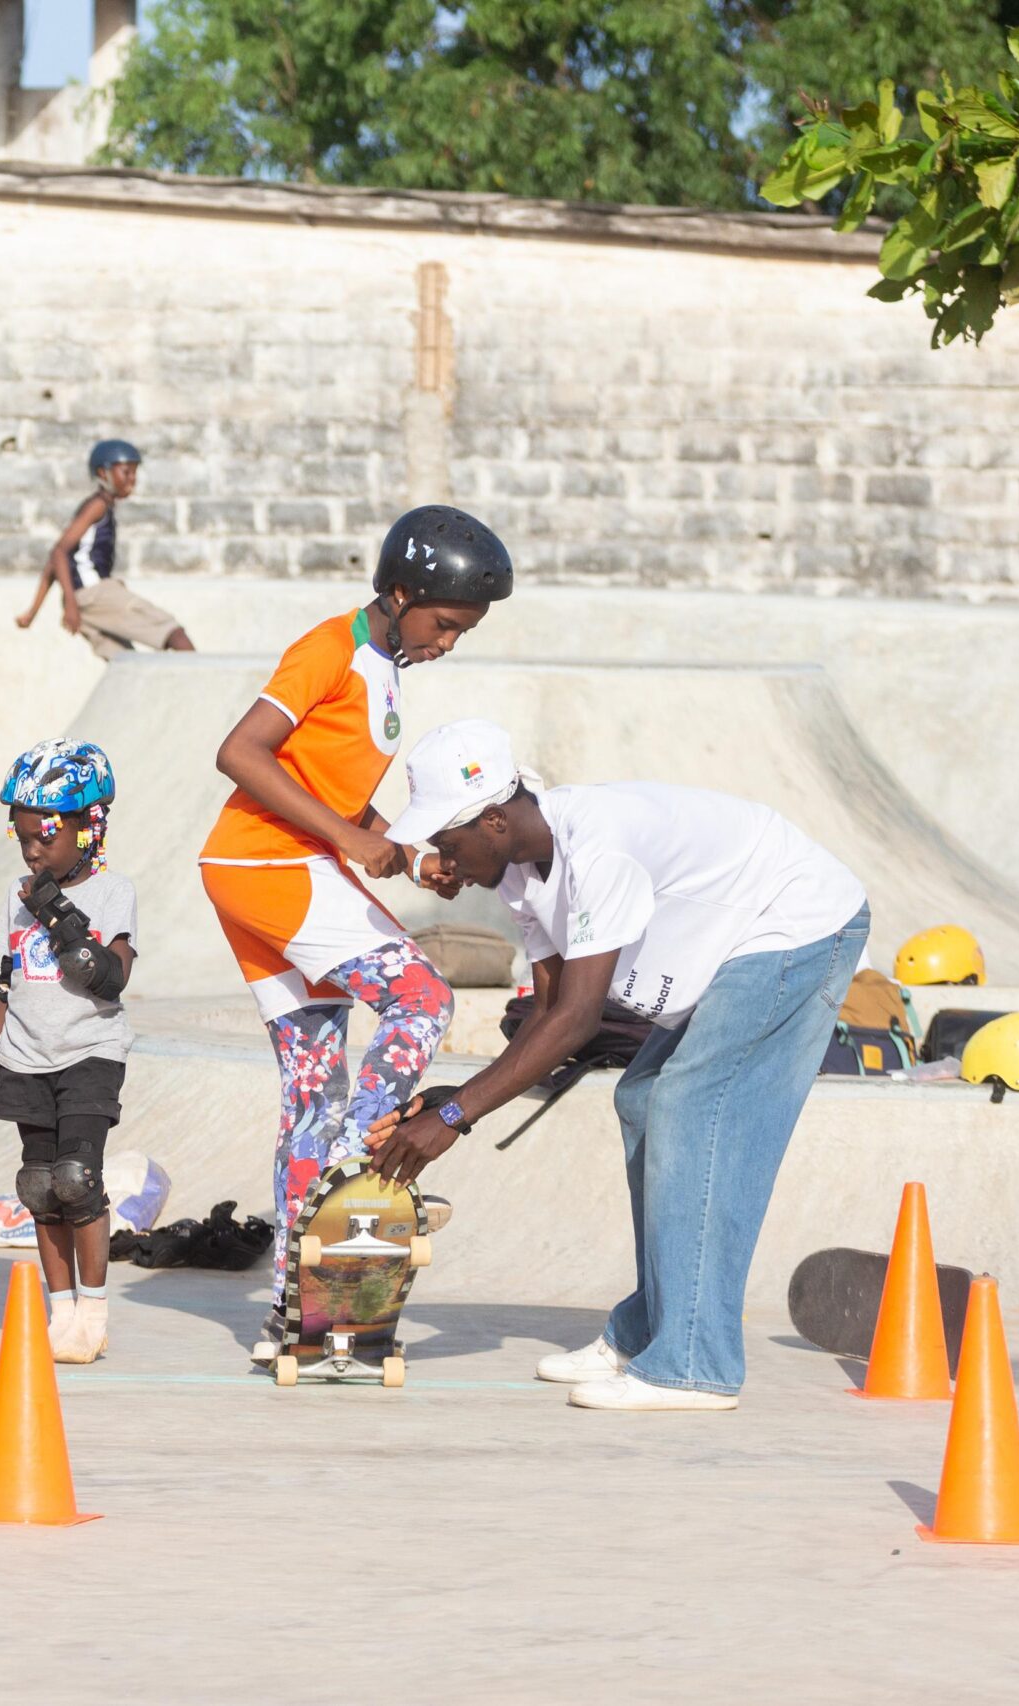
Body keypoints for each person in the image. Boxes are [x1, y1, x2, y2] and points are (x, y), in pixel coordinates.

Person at [368, 721, 870, 1412]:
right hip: (737, 942)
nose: (443, 862)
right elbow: (548, 1013)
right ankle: (651, 1330)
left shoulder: (598, 848)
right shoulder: (519, 874)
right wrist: (459, 1094)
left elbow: (579, 1017)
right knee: (641, 1099)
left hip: (796, 924)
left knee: (691, 1109)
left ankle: (695, 1364)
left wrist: (459, 1117)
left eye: (448, 844)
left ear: (493, 821)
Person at [197, 504, 512, 1362]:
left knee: (311, 1087)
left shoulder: (382, 667)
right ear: (401, 592)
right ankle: (356, 1165)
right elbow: (241, 752)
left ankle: (289, 1317)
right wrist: (353, 842)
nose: (449, 642)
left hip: (276, 871)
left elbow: (338, 795)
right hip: (271, 867)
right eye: (444, 623)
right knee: (422, 998)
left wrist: (406, 857)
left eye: (464, 632)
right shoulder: (329, 648)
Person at [0, 739, 136, 1364]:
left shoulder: (112, 892)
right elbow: (8, 980)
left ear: (88, 828)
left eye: (44, 837)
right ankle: (61, 1315)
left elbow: (105, 975)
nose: (32, 851)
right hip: (26, 1055)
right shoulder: (15, 895)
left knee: (79, 1180)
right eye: (22, 838)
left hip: (90, 1052)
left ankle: (95, 1312)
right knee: (40, 1187)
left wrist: (54, 910)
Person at [17, 439, 193, 656]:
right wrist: (70, 603)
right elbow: (59, 552)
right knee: (174, 634)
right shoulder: (97, 506)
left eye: (135, 473)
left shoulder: (100, 506)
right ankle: (205, 687)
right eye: (126, 472)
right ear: (103, 473)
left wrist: (34, 611)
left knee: (126, 664)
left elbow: (56, 561)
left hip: (83, 600)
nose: (132, 480)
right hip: (94, 594)